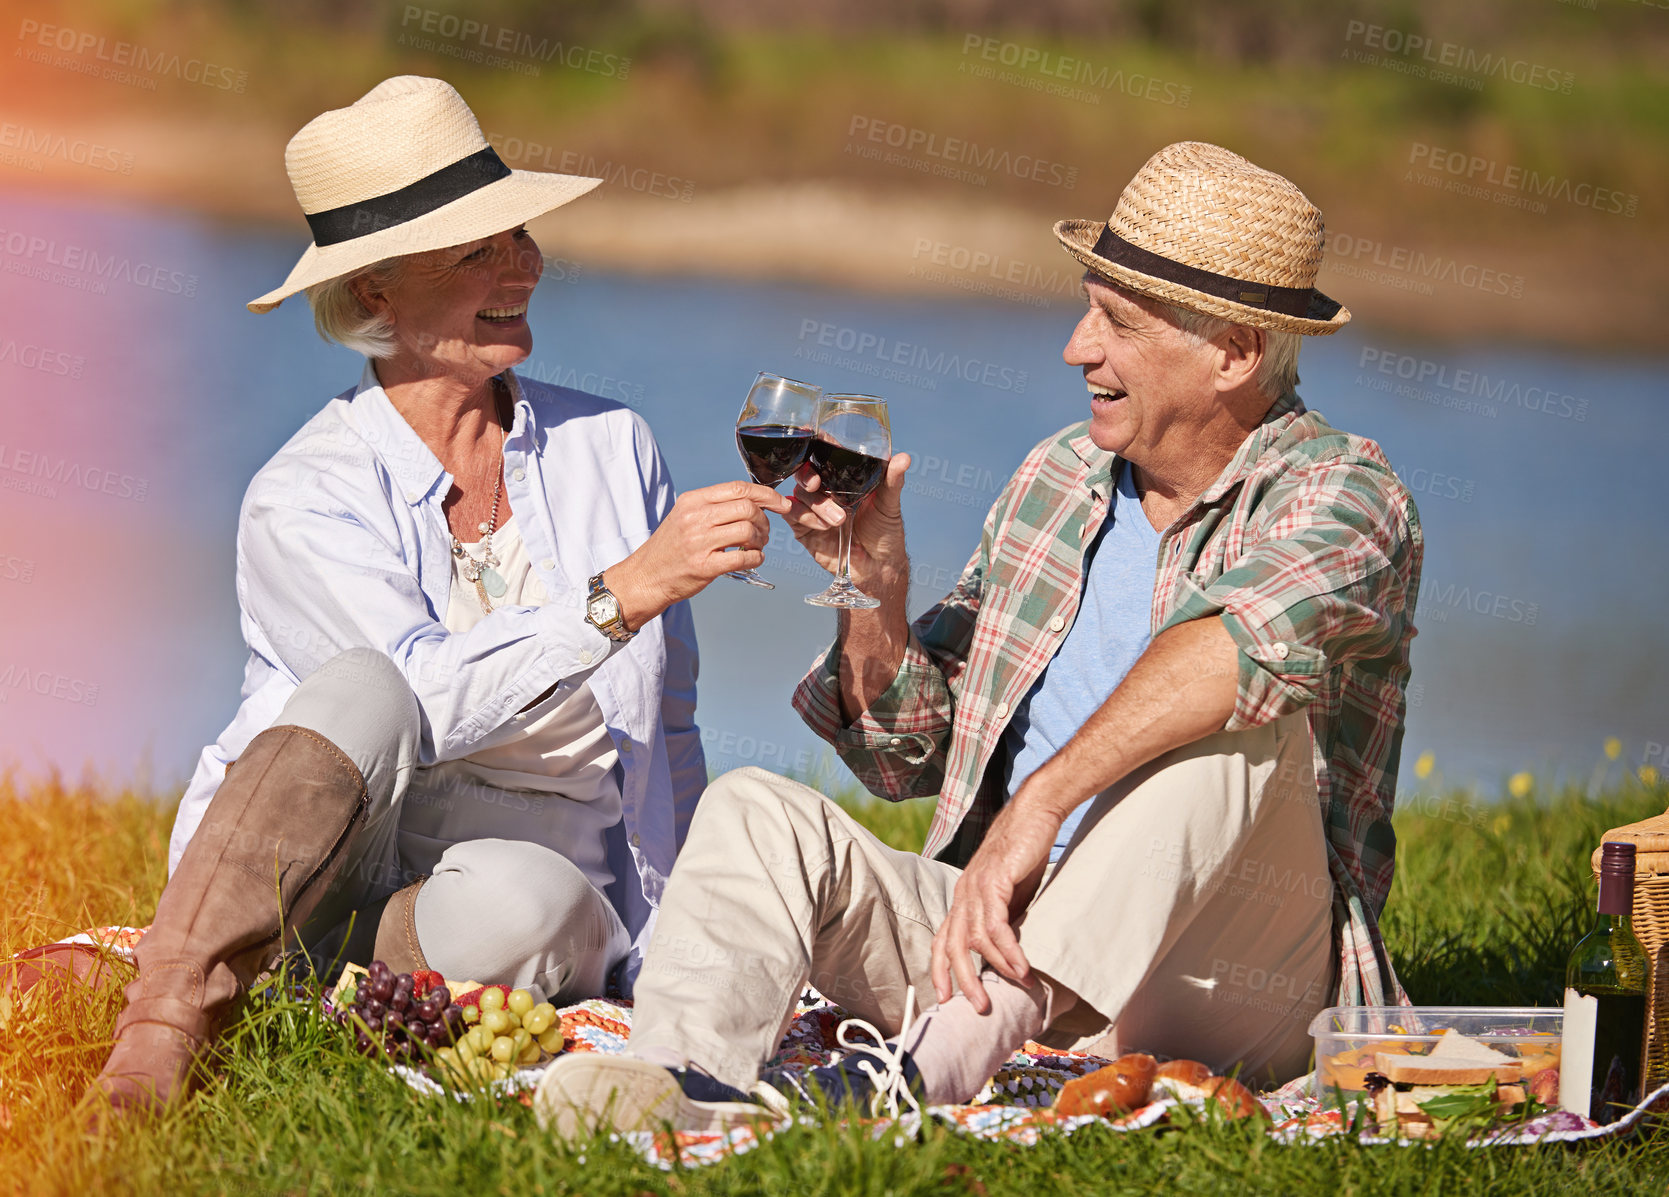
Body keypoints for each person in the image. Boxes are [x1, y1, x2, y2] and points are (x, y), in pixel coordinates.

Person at [534, 141, 1424, 1136]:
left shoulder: (1346, 494)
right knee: (755, 810)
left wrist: (1037, 808)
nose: (1077, 349)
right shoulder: (1058, 478)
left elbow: (1234, 648)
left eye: (1118, 325)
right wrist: (871, 590)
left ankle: (923, 1075)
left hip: (1231, 983)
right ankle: (681, 1086)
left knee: (1234, 736)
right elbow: (907, 755)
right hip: (991, 947)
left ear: (1234, 351)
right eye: (1088, 308)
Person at [84, 75, 790, 1117]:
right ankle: (163, 1029)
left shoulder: (613, 445)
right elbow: (423, 706)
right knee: (365, 682)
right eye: (480, 251)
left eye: (520, 235)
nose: (528, 266)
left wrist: (677, 951)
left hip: (509, 898)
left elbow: (666, 727)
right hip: (326, 860)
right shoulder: (305, 493)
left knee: (529, 899)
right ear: (375, 291)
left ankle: (301, 987)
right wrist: (623, 593)